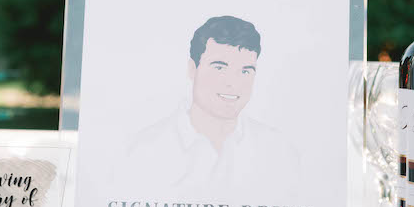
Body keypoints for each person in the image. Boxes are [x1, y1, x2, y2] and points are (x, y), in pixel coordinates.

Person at [121, 15, 300, 196]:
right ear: (192, 69)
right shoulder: (142, 150)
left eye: (245, 71)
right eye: (219, 67)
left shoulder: (278, 151)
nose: (233, 83)